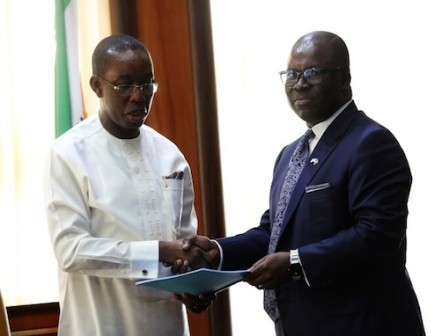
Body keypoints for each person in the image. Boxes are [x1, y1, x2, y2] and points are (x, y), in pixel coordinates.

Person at [180, 31, 426, 336]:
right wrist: (218, 251)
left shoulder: (372, 143)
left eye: (313, 72)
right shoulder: (289, 154)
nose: (300, 83)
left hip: (362, 325)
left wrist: (296, 263)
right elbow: (275, 234)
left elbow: (377, 236)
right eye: (292, 74)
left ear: (344, 80)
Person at [44, 34, 211, 336]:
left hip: (167, 325)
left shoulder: (170, 155)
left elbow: (183, 246)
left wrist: (193, 283)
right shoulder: (69, 153)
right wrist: (159, 251)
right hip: (100, 325)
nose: (139, 95)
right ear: (97, 86)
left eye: (147, 84)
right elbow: (71, 250)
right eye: (124, 85)